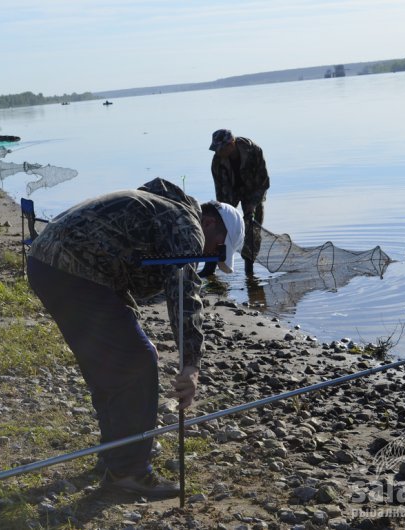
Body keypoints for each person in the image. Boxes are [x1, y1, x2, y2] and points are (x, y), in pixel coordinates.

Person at [26, 178, 244, 498]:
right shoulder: (186, 225)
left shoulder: (163, 208)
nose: (212, 257)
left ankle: (115, 456)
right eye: (219, 249)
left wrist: (133, 323)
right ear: (209, 223)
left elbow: (116, 258)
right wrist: (191, 365)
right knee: (138, 362)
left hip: (47, 263)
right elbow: (183, 295)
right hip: (73, 270)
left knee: (111, 365)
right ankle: (128, 472)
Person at [204, 129, 270, 277]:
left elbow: (264, 182)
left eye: (220, 148)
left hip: (253, 192)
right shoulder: (217, 161)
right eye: (216, 149)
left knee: (253, 230)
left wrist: (252, 204)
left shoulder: (254, 151)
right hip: (230, 192)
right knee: (221, 225)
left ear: (231, 144)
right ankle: (210, 266)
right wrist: (223, 211)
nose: (218, 152)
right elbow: (220, 190)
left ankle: (249, 270)